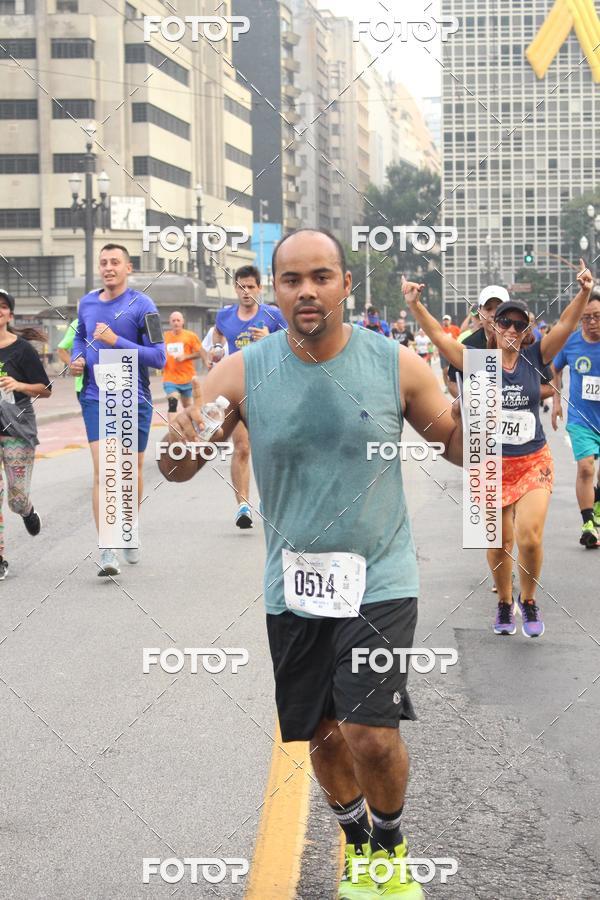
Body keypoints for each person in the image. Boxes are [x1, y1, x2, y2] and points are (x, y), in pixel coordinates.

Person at [159, 228, 464, 900]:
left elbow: (461, 448)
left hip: (379, 579)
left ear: (345, 285)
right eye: (292, 279)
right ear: (274, 289)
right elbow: (182, 467)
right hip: (292, 588)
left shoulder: (395, 365)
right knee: (324, 738)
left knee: (370, 735)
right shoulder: (241, 372)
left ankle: (390, 845)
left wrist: (487, 410)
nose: (306, 290)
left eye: (321, 276)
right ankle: (358, 843)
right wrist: (176, 445)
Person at [406, 263, 593, 638]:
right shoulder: (476, 363)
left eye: (518, 325)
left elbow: (566, 326)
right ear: (492, 325)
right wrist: (414, 305)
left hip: (532, 461)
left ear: (526, 332)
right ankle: (505, 603)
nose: (510, 329)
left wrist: (584, 292)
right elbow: (441, 339)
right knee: (498, 541)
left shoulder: (535, 357)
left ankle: (528, 600)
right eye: (504, 323)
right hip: (487, 463)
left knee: (529, 537)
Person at [70, 243, 166, 576]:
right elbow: (80, 337)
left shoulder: (144, 305)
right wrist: (76, 357)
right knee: (104, 470)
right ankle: (107, 547)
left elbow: (159, 357)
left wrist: (116, 342)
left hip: (133, 395)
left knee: (129, 470)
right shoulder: (88, 303)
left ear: (128, 268)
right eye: (104, 263)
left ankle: (129, 525)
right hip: (97, 394)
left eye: (115, 262)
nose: (108, 267)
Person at [210, 265, 287, 529]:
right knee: (242, 447)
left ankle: (269, 500)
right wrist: (218, 348)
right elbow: (218, 333)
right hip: (238, 389)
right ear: (235, 288)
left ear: (259, 288)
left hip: (269, 388)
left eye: (250, 287)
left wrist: (271, 337)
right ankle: (243, 505)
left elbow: (295, 341)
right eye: (241, 287)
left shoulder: (273, 315)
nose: (245, 292)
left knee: (270, 449)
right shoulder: (225, 316)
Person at [0, 289, 51, 580]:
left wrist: (19, 385)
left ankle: (27, 510)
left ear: (10, 313)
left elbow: (46, 389)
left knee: (16, 498)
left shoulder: (21, 350)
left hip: (17, 429)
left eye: (3, 306)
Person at [552, 286, 600, 548]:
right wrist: (557, 399)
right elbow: (555, 369)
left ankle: (597, 505)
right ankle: (588, 524)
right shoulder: (571, 342)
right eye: (586, 317)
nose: (592, 322)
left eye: (597, 316)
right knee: (586, 468)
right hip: (581, 419)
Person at [162, 311, 207, 425]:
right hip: (170, 378)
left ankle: (193, 430)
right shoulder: (165, 337)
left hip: (187, 378)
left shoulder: (190, 336)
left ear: (183, 322)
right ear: (170, 322)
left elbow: (200, 353)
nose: (176, 323)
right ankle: (173, 430)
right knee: (173, 402)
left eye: (178, 320)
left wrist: (186, 357)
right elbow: (158, 353)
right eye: (173, 320)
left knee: (188, 407)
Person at [57, 318, 83, 400]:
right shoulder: (78, 323)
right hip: (84, 386)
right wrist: (73, 365)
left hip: (115, 383)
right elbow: (61, 348)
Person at [439, 314, 460, 391]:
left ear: (450, 321)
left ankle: (455, 384)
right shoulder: (440, 329)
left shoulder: (455, 328)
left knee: (454, 370)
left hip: (453, 351)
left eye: (447, 320)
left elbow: (460, 337)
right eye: (444, 320)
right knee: (445, 370)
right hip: (443, 352)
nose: (446, 321)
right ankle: (446, 386)